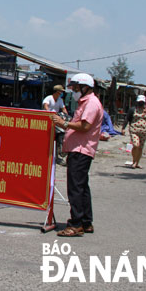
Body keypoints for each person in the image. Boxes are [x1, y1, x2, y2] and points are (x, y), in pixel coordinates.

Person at [50, 73, 103, 237]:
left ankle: (76, 224)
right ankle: (86, 222)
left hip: (81, 150)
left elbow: (85, 126)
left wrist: (64, 123)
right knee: (82, 187)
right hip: (78, 149)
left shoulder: (92, 103)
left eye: (76, 88)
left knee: (75, 188)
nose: (74, 91)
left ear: (85, 87)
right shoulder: (85, 102)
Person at [121, 95, 146, 169]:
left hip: (143, 131)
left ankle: (136, 163)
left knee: (140, 148)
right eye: (139, 102)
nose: (141, 104)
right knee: (136, 145)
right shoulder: (132, 110)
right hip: (134, 130)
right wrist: (123, 128)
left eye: (142, 102)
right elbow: (127, 119)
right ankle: (134, 160)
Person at [43, 85, 69, 166]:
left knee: (61, 135)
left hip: (56, 120)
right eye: (60, 92)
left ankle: (58, 155)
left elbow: (63, 109)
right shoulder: (49, 98)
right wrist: (49, 112)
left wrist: (66, 115)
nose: (61, 93)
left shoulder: (60, 100)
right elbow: (45, 106)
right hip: (48, 120)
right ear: (57, 92)